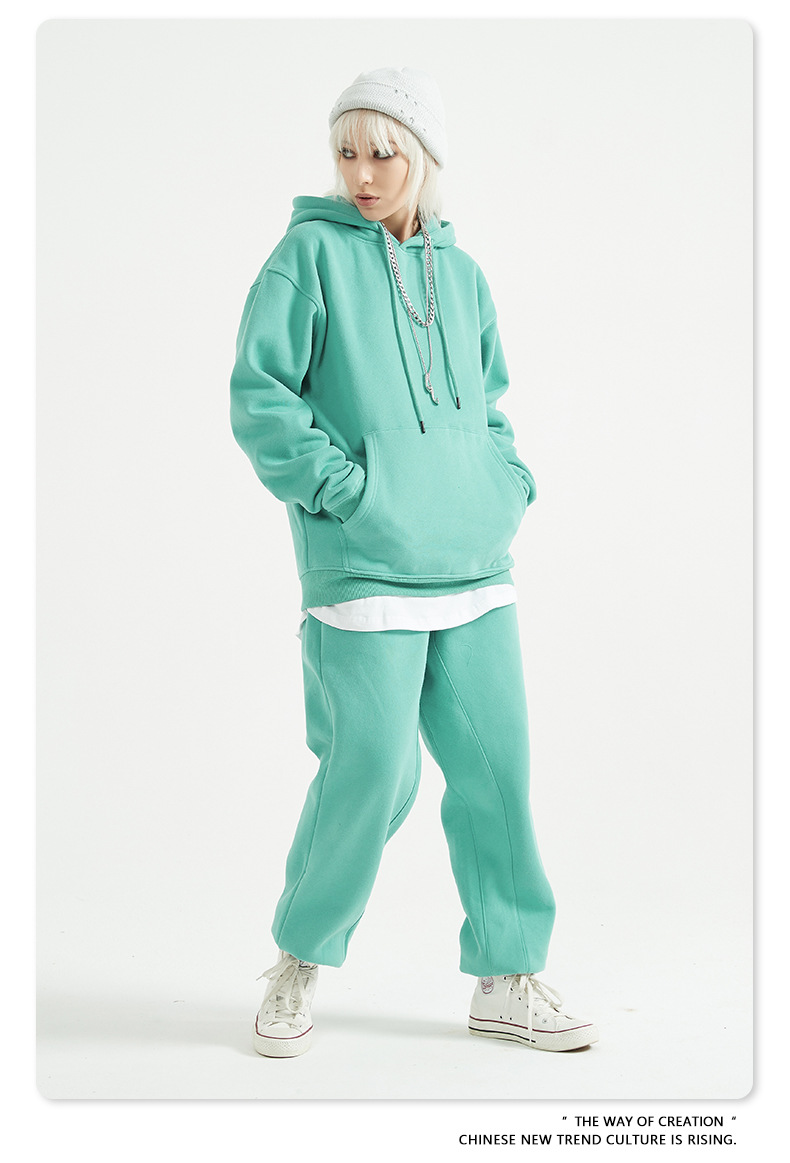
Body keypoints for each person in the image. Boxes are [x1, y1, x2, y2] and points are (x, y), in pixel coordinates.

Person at [230, 67, 598, 1058]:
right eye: (346, 152)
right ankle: (298, 958)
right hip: (364, 571)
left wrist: (505, 481)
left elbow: (489, 401)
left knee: (496, 773)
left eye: (382, 154)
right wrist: (346, 493)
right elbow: (260, 397)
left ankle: (507, 976)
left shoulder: (462, 272)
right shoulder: (304, 258)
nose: (361, 173)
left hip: (475, 565)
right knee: (372, 774)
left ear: (422, 157)